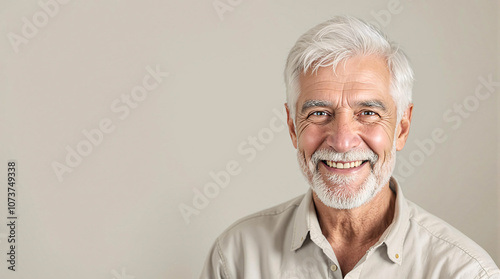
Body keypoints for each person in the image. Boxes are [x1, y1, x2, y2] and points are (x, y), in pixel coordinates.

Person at [199, 15, 500, 279]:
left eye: (367, 113)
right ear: (293, 127)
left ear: (401, 129)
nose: (342, 142)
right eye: (319, 113)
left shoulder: (466, 272)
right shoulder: (235, 259)